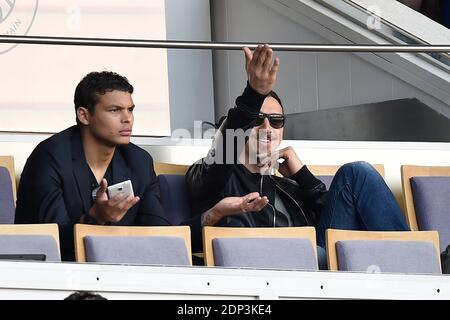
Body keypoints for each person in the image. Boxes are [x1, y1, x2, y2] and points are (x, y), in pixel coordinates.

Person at [186, 45, 410, 266]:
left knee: (357, 173)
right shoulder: (214, 174)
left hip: (314, 262)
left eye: (275, 121)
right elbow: (224, 150)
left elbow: (339, 222)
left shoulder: (289, 187)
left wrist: (303, 176)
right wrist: (253, 94)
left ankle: (414, 263)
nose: (267, 127)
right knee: (318, 252)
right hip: (261, 263)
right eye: (257, 119)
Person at [15, 71, 171, 261]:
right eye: (115, 110)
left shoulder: (139, 161)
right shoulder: (49, 157)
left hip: (120, 271)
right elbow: (50, 240)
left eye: (130, 109)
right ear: (84, 115)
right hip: (53, 275)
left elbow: (161, 235)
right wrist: (95, 218)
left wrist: (208, 218)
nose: (127, 118)